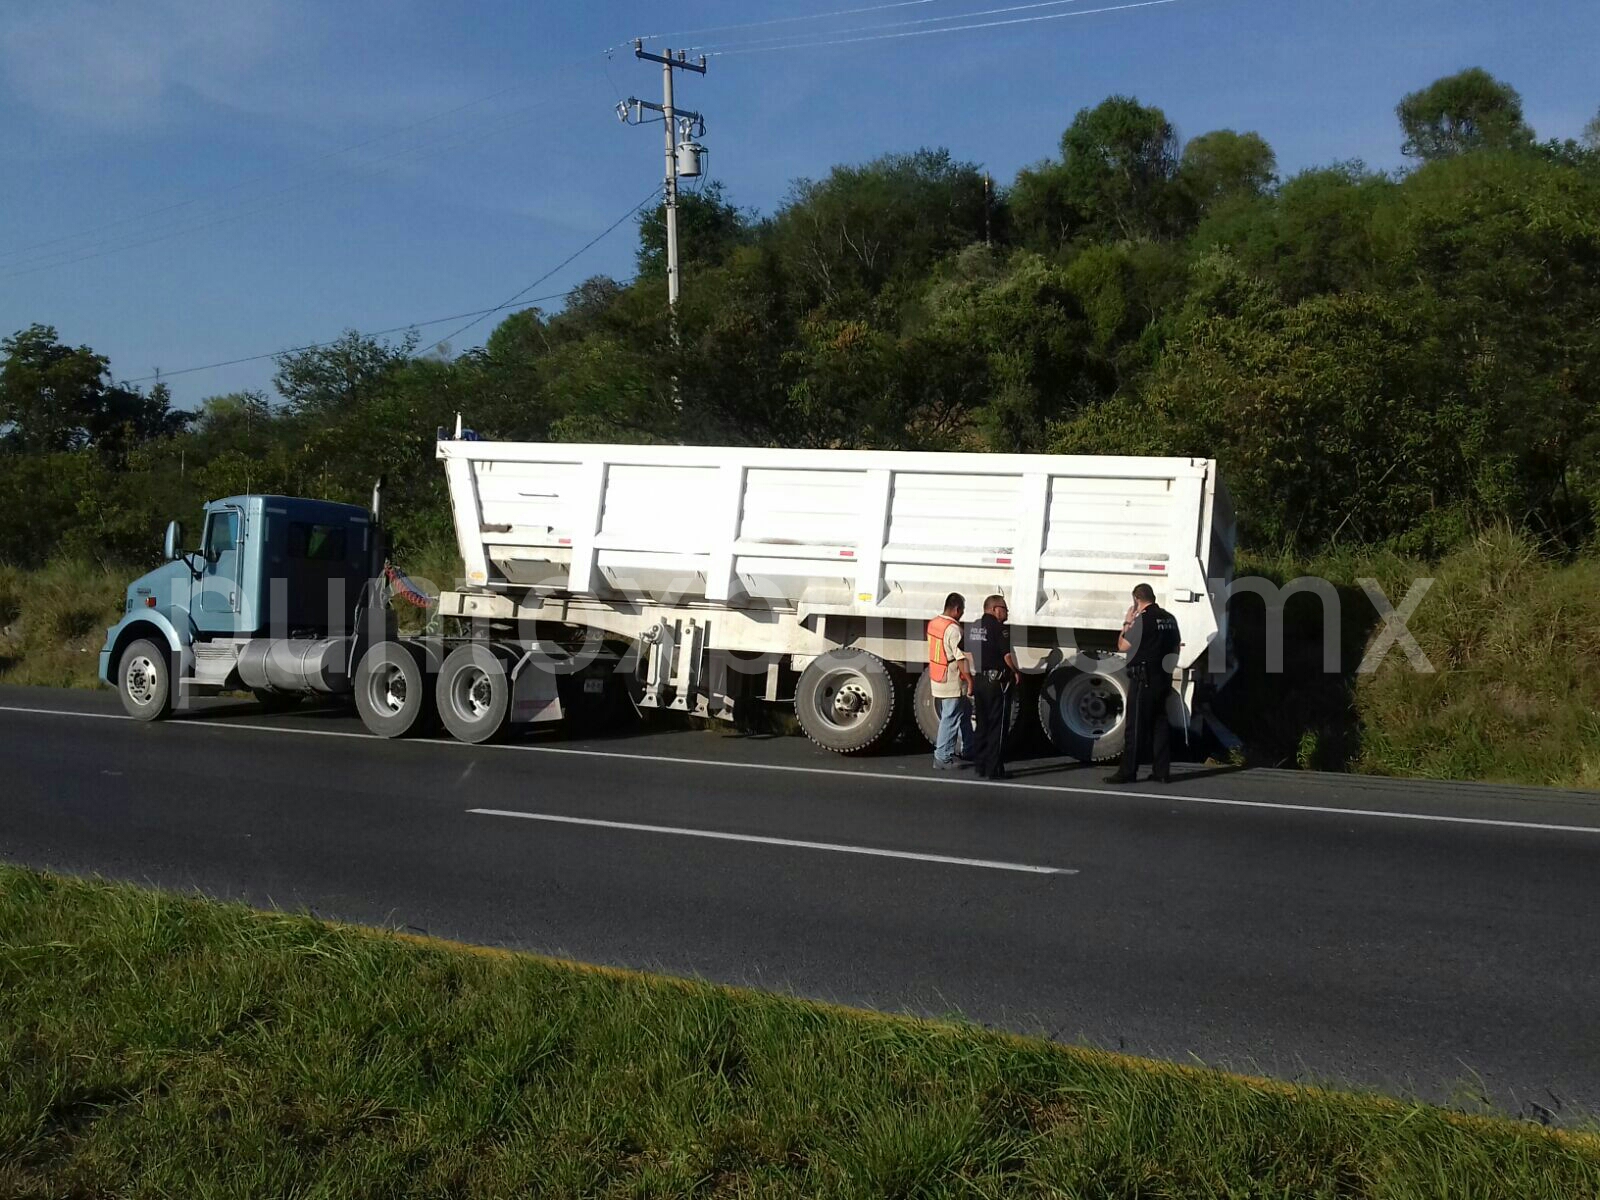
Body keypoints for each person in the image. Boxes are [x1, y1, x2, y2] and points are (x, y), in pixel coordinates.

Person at [1105, 582, 1182, 785]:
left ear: (1137, 600)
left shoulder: (1143, 621)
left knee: (1135, 727)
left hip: (1143, 678)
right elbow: (1176, 646)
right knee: (1160, 725)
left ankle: (1128, 771)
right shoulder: (1170, 619)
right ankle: (1161, 772)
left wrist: (1126, 623)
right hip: (1163, 676)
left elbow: (1122, 646)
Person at [968, 594, 1021, 780]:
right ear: (994, 609)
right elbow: (1006, 655)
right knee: (997, 727)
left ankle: (980, 766)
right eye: (1004, 608)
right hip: (995, 682)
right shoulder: (1000, 628)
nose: (1006, 613)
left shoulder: (974, 627)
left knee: (982, 724)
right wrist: (1015, 671)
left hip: (980, 679)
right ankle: (994, 770)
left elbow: (966, 651)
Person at [927, 593, 973, 769]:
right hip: (951, 678)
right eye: (961, 610)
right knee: (951, 716)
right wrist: (969, 679)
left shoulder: (934, 623)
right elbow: (960, 659)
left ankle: (969, 747)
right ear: (956, 609)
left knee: (964, 711)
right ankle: (942, 757)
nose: (962, 614)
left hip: (938, 674)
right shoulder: (954, 630)